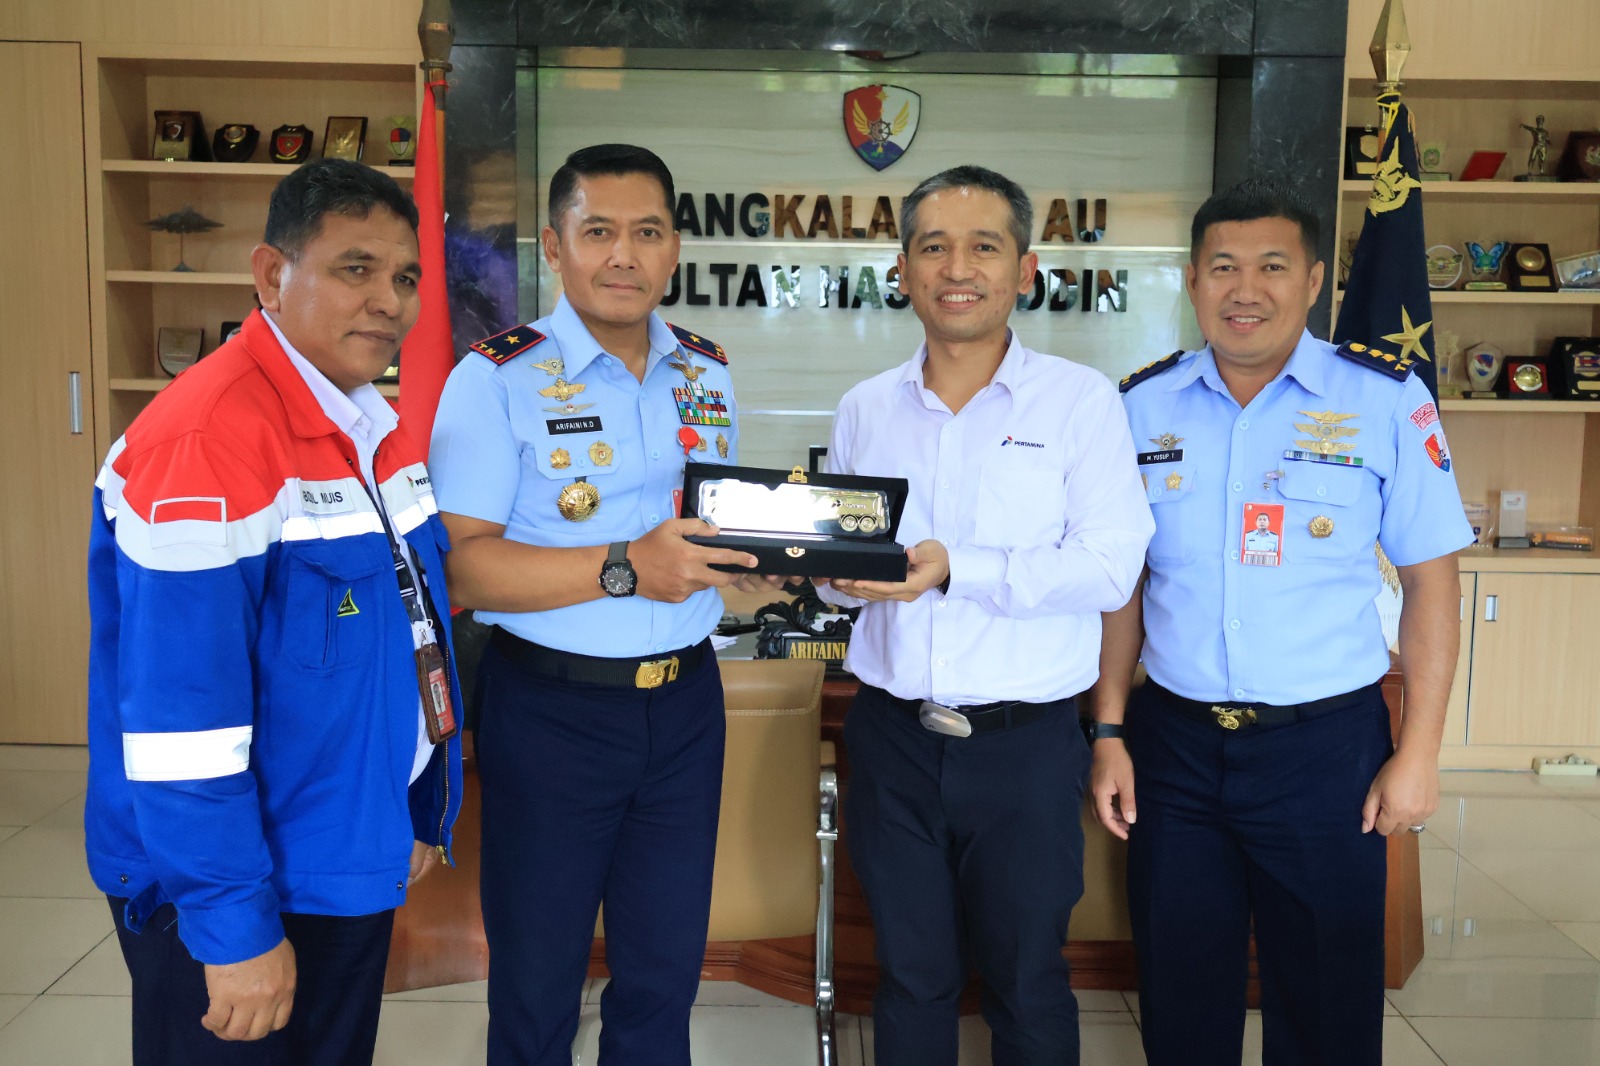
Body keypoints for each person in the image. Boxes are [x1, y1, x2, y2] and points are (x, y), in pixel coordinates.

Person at [85, 158, 465, 1065]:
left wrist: (416, 805)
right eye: (355, 268)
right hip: (241, 885)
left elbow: (412, 629)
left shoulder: (371, 426)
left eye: (405, 277)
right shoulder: (207, 442)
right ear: (270, 276)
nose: (389, 302)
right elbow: (182, 724)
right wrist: (232, 926)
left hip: (345, 848)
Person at [1089, 177, 1473, 1066]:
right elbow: (1123, 587)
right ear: (1192, 281)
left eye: (1271, 266)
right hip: (1175, 751)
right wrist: (1108, 729)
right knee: (1181, 998)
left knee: (1328, 1005)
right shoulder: (1139, 407)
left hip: (1325, 751)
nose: (1245, 289)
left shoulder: (1386, 400)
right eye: (1223, 266)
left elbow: (1433, 585)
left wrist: (1420, 751)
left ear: (1313, 281)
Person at [429, 143, 775, 1066]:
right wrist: (627, 568)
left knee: (663, 979)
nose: (624, 255)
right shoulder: (493, 380)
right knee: (538, 982)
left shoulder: (704, 369)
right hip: (554, 712)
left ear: (675, 250)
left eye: (648, 232)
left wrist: (748, 563)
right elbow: (463, 572)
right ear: (555, 247)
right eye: (599, 232)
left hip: (686, 706)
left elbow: (697, 529)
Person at [817, 165, 1154, 1066]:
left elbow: (1110, 566)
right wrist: (832, 577)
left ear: (1025, 269)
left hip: (1025, 748)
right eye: (933, 247)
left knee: (1027, 979)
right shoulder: (864, 408)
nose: (957, 268)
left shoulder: (1081, 402)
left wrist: (957, 570)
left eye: (983, 247)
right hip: (892, 739)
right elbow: (843, 570)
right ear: (902, 270)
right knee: (909, 977)